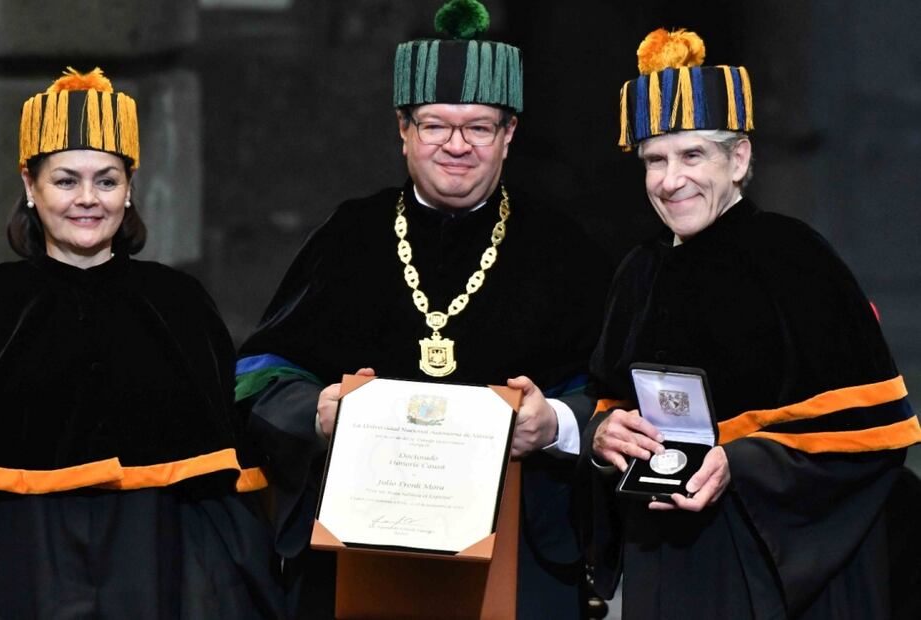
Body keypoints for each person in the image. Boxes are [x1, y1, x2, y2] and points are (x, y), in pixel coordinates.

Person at [235, 1, 611, 617]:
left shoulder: (563, 248)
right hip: (354, 563)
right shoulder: (349, 235)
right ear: (404, 131)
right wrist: (317, 411)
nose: (456, 146)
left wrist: (558, 425)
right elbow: (261, 376)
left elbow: (610, 397)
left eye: (479, 127)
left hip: (518, 562)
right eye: (435, 125)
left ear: (509, 134)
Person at [0, 68, 285, 619]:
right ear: (29, 185)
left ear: (130, 187)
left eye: (106, 180)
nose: (87, 199)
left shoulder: (179, 304)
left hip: (159, 576)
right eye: (66, 180)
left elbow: (227, 497)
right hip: (18, 579)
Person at [581, 29, 921, 618]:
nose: (669, 180)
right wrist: (604, 435)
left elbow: (875, 437)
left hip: (771, 563)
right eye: (654, 160)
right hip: (666, 559)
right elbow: (609, 400)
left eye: (692, 156)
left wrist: (740, 463)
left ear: (737, 159)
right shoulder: (637, 271)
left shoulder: (797, 258)